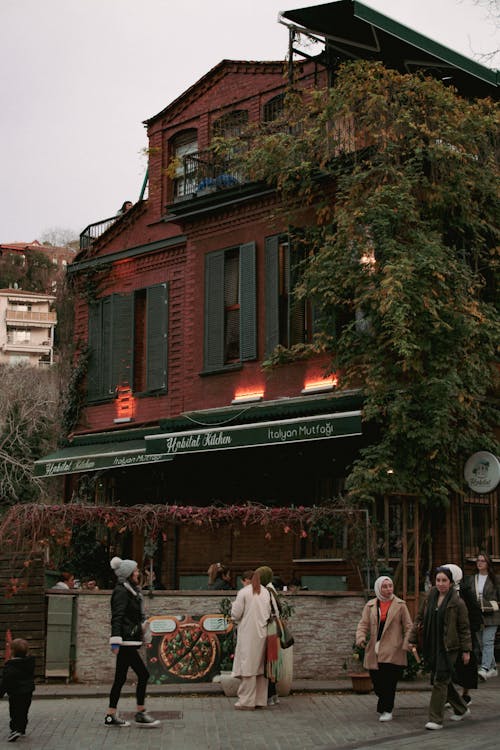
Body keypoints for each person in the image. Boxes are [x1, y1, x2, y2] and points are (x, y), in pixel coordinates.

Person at [409, 565, 472, 731]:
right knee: (444, 680)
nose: (441, 583)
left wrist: (466, 651)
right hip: (432, 644)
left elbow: (464, 628)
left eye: (444, 580)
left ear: (451, 583)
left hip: (449, 647)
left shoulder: (457, 602)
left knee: (440, 679)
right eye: (438, 580)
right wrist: (412, 639)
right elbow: (419, 619)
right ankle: (462, 709)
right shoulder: (430, 597)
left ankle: (435, 719)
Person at [105, 556, 160, 728]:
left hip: (129, 641)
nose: (138, 573)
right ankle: (140, 712)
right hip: (125, 642)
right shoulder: (121, 592)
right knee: (143, 675)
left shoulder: (130, 590)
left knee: (120, 679)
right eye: (135, 570)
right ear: (128, 574)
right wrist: (115, 641)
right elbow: (117, 617)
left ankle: (111, 715)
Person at [355, 575, 413, 722]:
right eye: (385, 586)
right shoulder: (370, 605)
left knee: (389, 681)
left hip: (394, 649)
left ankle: (387, 709)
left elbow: (408, 626)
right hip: (375, 649)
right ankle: (384, 702)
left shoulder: (400, 605)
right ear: (378, 588)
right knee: (377, 682)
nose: (388, 589)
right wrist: (360, 638)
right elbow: (363, 624)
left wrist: (407, 643)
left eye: (390, 586)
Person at [230, 567, 272, 709]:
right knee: (260, 667)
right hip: (263, 632)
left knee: (248, 667)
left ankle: (246, 701)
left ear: (246, 580)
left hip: (248, 633)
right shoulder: (266, 592)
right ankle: (260, 700)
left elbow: (235, 614)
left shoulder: (243, 592)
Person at [442, 563, 482, 706]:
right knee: (447, 668)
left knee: (466, 667)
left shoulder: (464, 591)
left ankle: (465, 695)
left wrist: (471, 630)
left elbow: (475, 611)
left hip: (464, 635)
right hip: (447, 636)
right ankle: (450, 696)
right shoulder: (441, 591)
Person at [465, 551, 499, 680]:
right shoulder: (471, 579)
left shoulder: (495, 579)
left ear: (488, 563)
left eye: (482, 560)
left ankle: (484, 668)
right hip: (477, 615)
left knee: (488, 641)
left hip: (492, 614)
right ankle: (493, 668)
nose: (479, 563)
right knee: (482, 643)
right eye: (478, 560)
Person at [0, 637, 35, 742]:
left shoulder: (10, 667)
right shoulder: (30, 662)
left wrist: (0, 693)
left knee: (15, 712)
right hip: (28, 691)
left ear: (12, 651)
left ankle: (15, 730)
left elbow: (5, 682)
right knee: (24, 711)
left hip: (15, 693)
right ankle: (22, 729)